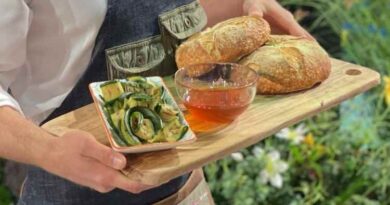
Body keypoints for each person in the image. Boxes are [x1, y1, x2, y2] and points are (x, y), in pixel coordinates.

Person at [0, 0, 312, 204]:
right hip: (75, 194)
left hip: (187, 189)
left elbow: (171, 15)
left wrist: (242, 8)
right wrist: (48, 151)